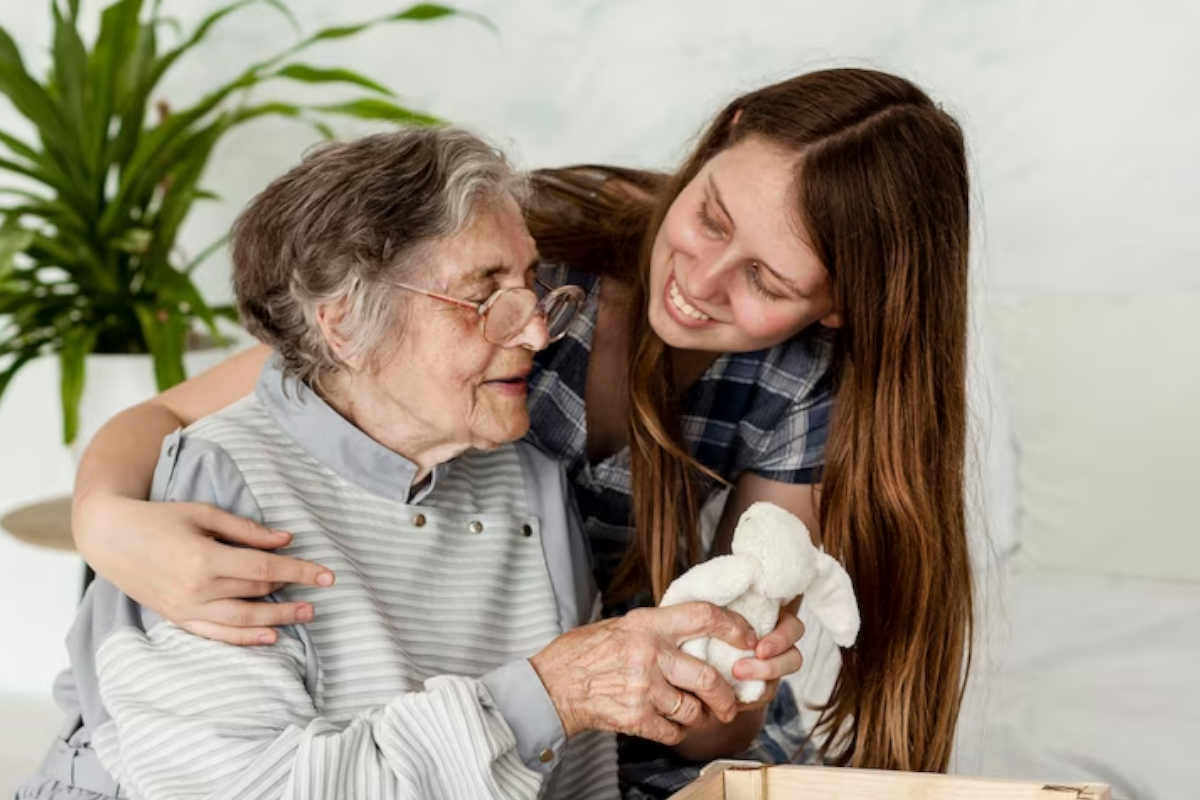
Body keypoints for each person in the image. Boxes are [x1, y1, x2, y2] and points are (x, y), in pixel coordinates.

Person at [68, 68, 973, 794]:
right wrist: (104, 523)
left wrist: (706, 683)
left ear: (841, 310)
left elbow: (724, 709)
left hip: (597, 731)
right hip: (484, 708)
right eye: (709, 219)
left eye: (767, 282)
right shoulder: (531, 264)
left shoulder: (793, 391)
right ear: (726, 131)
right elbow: (243, 399)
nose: (700, 281)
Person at [19, 128, 766, 800]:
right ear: (344, 325)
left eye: (531, 284)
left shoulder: (528, 480)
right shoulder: (225, 484)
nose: (538, 332)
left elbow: (571, 781)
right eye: (484, 294)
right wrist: (548, 694)